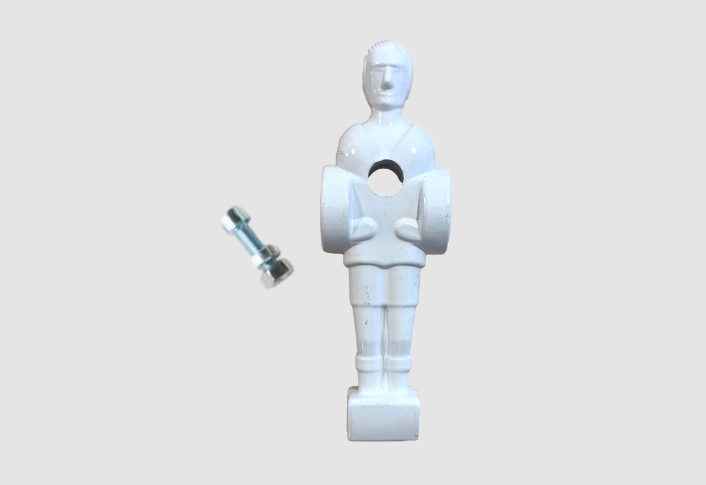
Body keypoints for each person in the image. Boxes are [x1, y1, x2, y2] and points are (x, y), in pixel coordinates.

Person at [321, 41, 451, 401]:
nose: (388, 81)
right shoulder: (354, 142)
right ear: (364, 79)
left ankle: (396, 386)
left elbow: (431, 198)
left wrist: (418, 230)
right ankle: (369, 387)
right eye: (379, 70)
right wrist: (353, 229)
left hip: (405, 249)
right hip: (364, 248)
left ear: (410, 81)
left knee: (401, 317)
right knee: (366, 313)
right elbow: (340, 198)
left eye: (397, 71)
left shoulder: (418, 144)